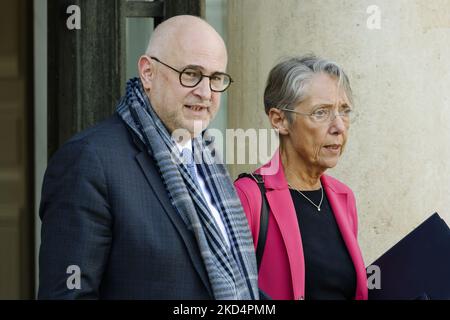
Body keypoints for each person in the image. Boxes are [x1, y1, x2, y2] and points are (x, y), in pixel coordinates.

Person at [38, 15, 259, 300]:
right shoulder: (88, 160)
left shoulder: (208, 164)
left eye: (216, 78)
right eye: (191, 73)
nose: (205, 93)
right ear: (148, 72)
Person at [234, 56, 368, 300]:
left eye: (344, 111)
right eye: (321, 112)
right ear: (280, 120)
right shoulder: (248, 197)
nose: (339, 126)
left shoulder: (343, 197)